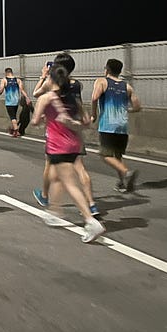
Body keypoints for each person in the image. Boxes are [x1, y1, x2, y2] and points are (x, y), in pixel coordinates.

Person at [31, 64, 105, 243]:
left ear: (51, 79)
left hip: (58, 145)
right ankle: (55, 211)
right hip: (74, 143)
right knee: (56, 177)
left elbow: (34, 122)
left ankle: (90, 221)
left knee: (69, 183)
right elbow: (87, 120)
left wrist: (43, 119)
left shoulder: (47, 98)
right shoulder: (72, 98)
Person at [90, 58, 142, 193]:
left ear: (107, 69)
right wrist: (125, 110)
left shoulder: (101, 81)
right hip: (122, 126)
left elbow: (94, 98)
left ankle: (127, 172)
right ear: (120, 71)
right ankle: (122, 183)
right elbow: (137, 107)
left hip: (108, 124)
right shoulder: (127, 86)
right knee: (118, 156)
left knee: (104, 155)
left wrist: (94, 114)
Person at [0, 68, 31, 137]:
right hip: (16, 101)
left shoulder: (4, 80)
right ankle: (13, 128)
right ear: (11, 72)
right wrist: (27, 97)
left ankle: (16, 131)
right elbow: (22, 90)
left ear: (6, 73)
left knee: (12, 116)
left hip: (9, 101)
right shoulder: (18, 80)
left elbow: (1, 90)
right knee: (14, 115)